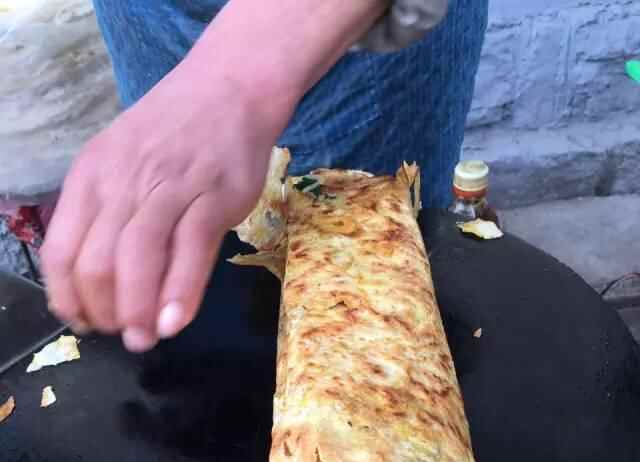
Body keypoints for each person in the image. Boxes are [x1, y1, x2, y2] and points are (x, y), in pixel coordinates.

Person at [42, 0, 488, 353]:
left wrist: (236, 78)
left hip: (357, 30)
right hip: (147, 18)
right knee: (197, 325)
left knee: (372, 339)